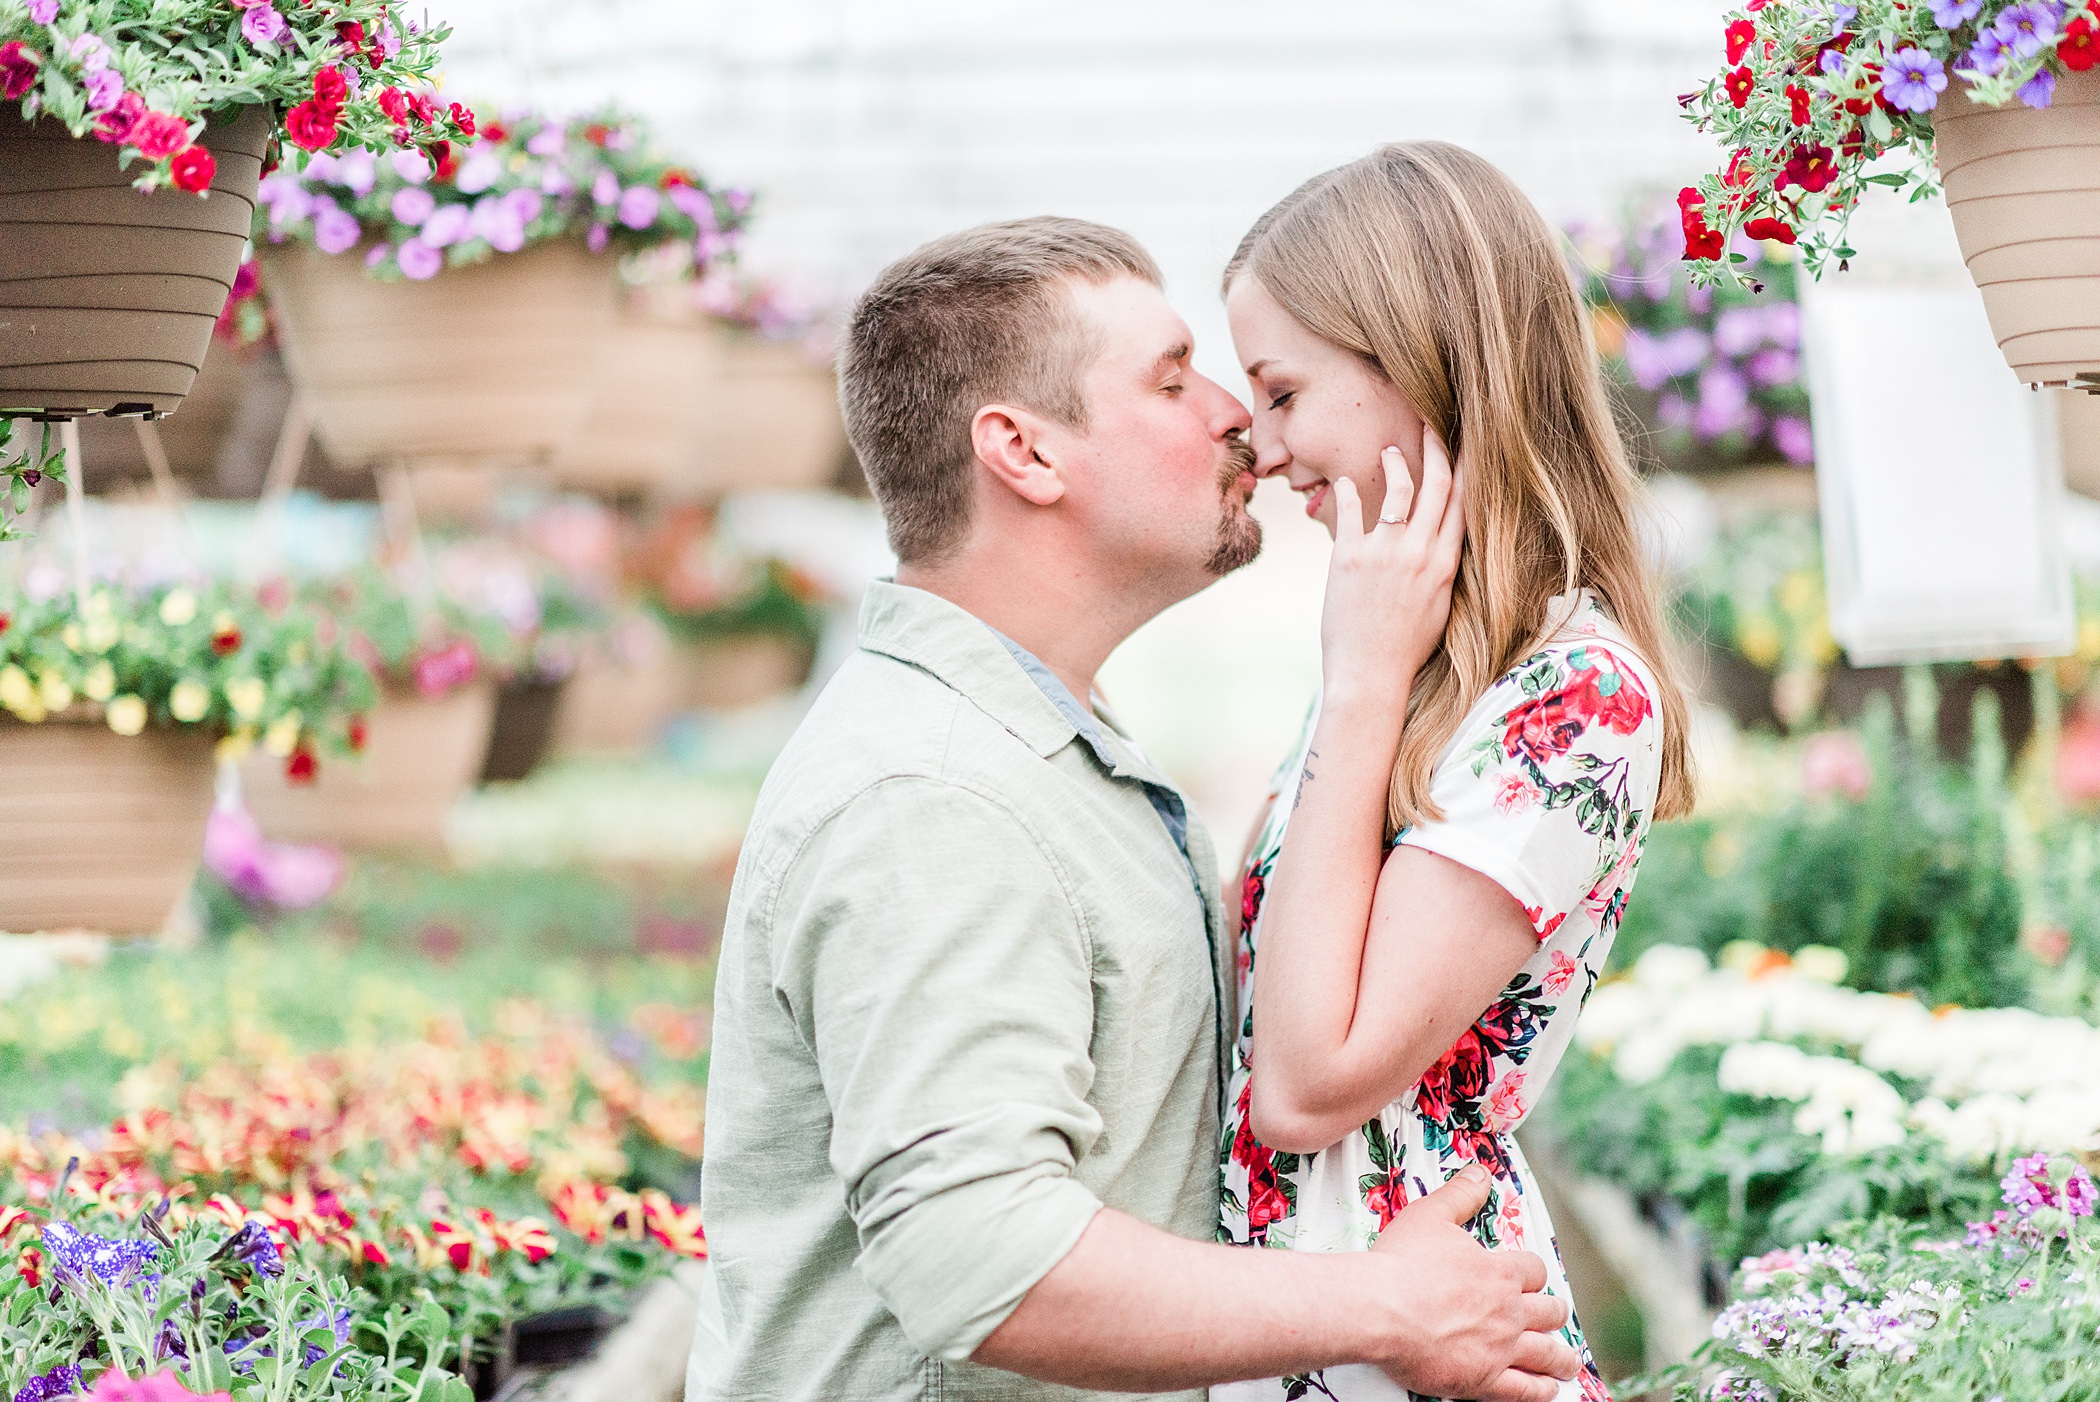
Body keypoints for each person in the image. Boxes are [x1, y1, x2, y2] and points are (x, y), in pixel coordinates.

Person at [693, 216, 1581, 1402]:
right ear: (1024, 452)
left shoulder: (1039, 744)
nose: (1235, 415)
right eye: (1171, 379)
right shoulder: (937, 793)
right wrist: (1386, 1303)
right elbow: (980, 1259)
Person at [1213, 142, 1698, 1402]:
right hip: (1335, 1306)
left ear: (1415, 359)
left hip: (1426, 1344)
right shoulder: (1415, 659)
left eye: (1280, 391)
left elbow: (1312, 1081)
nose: (1260, 449)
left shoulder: (1574, 695)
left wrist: (1363, 681)